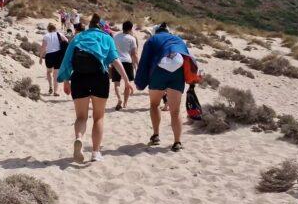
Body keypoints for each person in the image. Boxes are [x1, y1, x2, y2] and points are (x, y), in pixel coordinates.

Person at [57, 14, 134, 163]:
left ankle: (79, 138)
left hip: (79, 77)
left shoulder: (78, 37)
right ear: (103, 28)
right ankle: (95, 152)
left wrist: (66, 81)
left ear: (90, 26)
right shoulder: (107, 38)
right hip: (100, 77)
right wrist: (126, 80)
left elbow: (67, 61)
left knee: (81, 117)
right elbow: (115, 60)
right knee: (98, 117)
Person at [134, 22, 195, 152]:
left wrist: (140, 82)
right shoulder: (178, 39)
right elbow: (187, 58)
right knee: (175, 111)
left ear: (156, 31)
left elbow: (144, 62)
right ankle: (177, 142)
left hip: (158, 72)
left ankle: (156, 136)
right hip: (177, 73)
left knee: (154, 104)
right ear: (169, 31)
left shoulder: (152, 40)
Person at [110, 21, 139, 111]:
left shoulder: (115, 37)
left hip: (116, 61)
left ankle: (119, 99)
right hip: (127, 61)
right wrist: (137, 64)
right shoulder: (132, 38)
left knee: (116, 83)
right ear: (130, 28)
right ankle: (125, 103)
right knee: (127, 83)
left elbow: (112, 49)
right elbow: (134, 54)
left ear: (122, 27)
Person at [39, 22, 67, 96]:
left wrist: (41, 57)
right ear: (55, 28)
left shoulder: (46, 36)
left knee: (48, 72)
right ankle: (55, 91)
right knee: (56, 74)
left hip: (49, 56)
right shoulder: (59, 34)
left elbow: (43, 47)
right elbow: (66, 41)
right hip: (58, 55)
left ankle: (50, 86)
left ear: (48, 29)